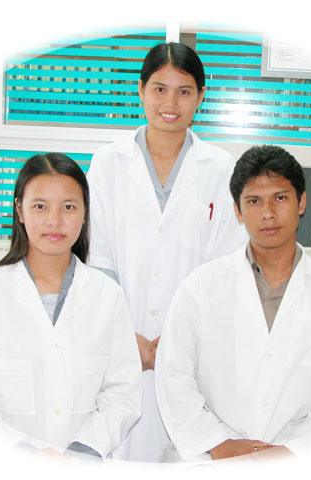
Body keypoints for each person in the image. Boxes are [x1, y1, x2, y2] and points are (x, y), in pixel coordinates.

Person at [155, 145, 311, 462]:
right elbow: (173, 375)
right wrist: (217, 443)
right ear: (238, 211)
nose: (268, 212)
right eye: (254, 201)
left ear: (302, 202)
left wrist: (291, 452)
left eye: (280, 198)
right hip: (213, 458)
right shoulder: (200, 288)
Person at [87, 42, 247, 462]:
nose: (170, 103)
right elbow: (98, 262)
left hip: (194, 349)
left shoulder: (222, 168)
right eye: (159, 89)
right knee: (121, 450)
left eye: (184, 91)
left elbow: (224, 268)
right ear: (141, 90)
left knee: (189, 452)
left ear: (201, 97)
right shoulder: (107, 163)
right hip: (124, 344)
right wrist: (127, 338)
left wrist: (177, 340)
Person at [0, 153, 143, 460]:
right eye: (40, 206)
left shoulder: (108, 297)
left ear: (85, 213)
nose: (54, 220)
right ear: (19, 210)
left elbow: (124, 393)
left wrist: (83, 452)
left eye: (68, 207)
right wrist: (20, 452)